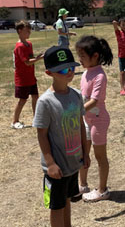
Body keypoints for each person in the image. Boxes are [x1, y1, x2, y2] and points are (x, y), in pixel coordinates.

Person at [33, 45, 90, 227]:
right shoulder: (45, 102)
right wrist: (50, 163)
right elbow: (41, 134)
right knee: (56, 206)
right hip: (56, 168)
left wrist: (85, 153)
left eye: (72, 67)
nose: (69, 72)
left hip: (73, 163)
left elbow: (81, 125)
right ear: (49, 73)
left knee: (67, 200)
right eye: (63, 69)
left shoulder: (76, 95)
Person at [75, 35, 113, 202]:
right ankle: (82, 186)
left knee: (100, 156)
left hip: (98, 121)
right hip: (86, 120)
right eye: (79, 56)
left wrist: (76, 111)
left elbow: (94, 100)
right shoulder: (86, 73)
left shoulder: (99, 76)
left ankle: (102, 190)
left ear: (95, 56)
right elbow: (83, 96)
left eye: (83, 56)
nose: (80, 60)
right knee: (83, 152)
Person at [11, 20, 44, 129]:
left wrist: (37, 57)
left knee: (35, 97)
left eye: (30, 31)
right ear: (19, 31)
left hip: (31, 77)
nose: (29, 33)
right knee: (22, 100)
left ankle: (36, 118)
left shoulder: (29, 44)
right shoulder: (19, 46)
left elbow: (31, 58)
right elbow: (27, 62)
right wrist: (39, 58)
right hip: (22, 78)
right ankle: (15, 121)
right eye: (27, 31)